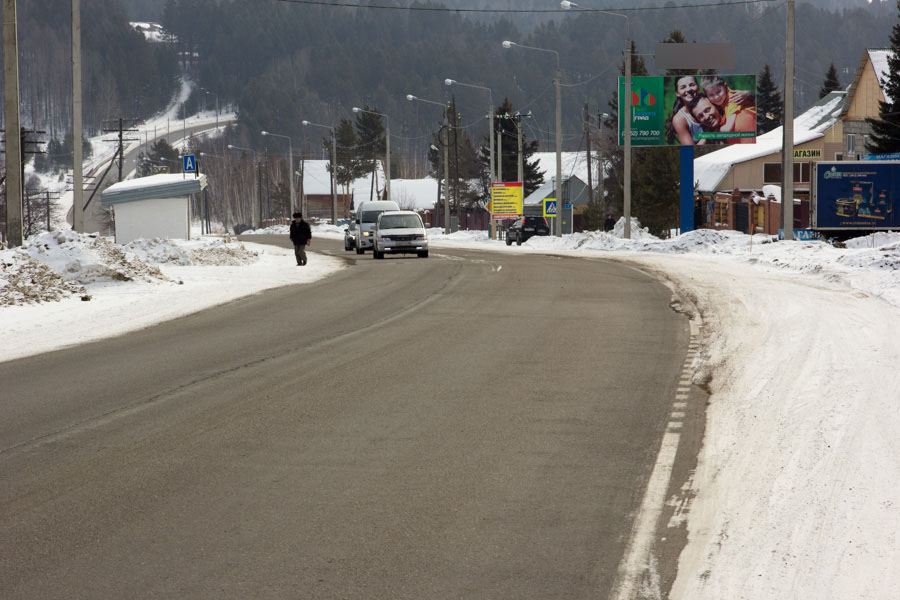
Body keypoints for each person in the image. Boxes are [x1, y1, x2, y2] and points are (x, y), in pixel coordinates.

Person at [699, 74, 756, 142]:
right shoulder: (721, 100)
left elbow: (728, 128)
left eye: (719, 92)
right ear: (706, 95)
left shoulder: (733, 99)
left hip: (748, 123)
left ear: (725, 86)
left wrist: (715, 131)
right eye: (711, 95)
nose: (717, 97)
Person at [666, 75, 706, 146]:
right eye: (683, 87)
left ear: (698, 87)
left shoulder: (708, 100)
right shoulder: (679, 119)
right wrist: (708, 134)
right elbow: (690, 149)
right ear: (677, 93)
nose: (688, 89)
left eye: (692, 85)